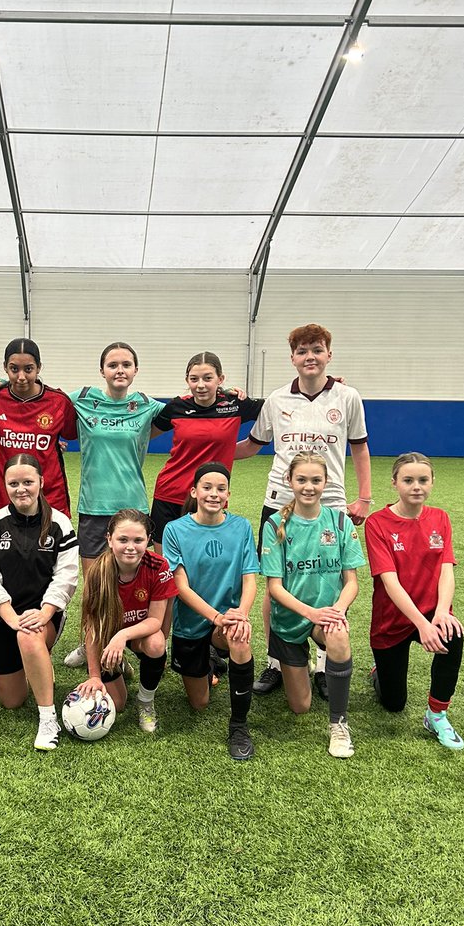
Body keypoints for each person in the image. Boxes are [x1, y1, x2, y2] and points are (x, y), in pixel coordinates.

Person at [235, 324, 372, 699]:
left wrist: (364, 497)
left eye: (317, 349)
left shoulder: (347, 397)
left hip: (329, 502)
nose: (309, 356)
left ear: (329, 354)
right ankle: (276, 661)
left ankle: (327, 665)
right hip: (280, 501)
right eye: (302, 351)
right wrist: (206, 446)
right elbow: (252, 445)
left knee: (332, 580)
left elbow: (359, 448)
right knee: (275, 582)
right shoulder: (277, 400)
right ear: (292, 358)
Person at [64, 342, 167, 666]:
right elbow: (40, 393)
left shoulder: (147, 406)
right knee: (95, 586)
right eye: (113, 365)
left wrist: (228, 395)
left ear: (135, 370)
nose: (119, 370)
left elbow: (193, 407)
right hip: (94, 506)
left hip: (133, 507)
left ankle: (130, 642)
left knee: (132, 584)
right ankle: (90, 643)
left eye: (126, 364)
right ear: (102, 371)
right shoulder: (82, 399)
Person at [260, 452, 365, 759]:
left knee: (338, 636)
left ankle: (339, 725)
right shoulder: (275, 524)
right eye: (302, 480)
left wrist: (337, 611)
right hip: (290, 619)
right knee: (300, 707)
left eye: (316, 480)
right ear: (289, 481)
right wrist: (310, 612)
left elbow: (352, 583)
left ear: (326, 482)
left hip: (326, 615)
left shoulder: (340, 521)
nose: (309, 487)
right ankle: (300, 664)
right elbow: (275, 588)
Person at [0, 454, 79, 751]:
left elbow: (67, 577)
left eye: (28, 482)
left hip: (41, 616)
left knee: (29, 638)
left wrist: (46, 612)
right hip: (2, 617)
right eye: (14, 483)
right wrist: (10, 617)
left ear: (41, 483)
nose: (21, 489)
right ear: (5, 485)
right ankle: (29, 664)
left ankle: (48, 718)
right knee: (11, 701)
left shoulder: (59, 523)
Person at [364, 452, 464, 750]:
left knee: (454, 633)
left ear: (432, 482)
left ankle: (436, 714)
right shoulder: (377, 523)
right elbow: (389, 581)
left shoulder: (440, 518)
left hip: (431, 614)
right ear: (395, 483)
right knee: (393, 704)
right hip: (392, 620)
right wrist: (420, 623)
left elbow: (446, 569)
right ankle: (379, 673)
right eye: (408, 480)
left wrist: (442, 613)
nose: (416, 486)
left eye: (423, 480)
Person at [161, 464, 259, 761]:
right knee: (199, 703)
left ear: (228, 495)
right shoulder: (175, 530)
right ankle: (212, 662)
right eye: (206, 487)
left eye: (220, 489)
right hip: (191, 624)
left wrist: (241, 614)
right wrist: (215, 617)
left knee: (240, 639)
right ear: (194, 492)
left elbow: (250, 579)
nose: (213, 494)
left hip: (227, 620)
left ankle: (239, 726)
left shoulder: (241, 527)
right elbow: (181, 586)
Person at [77, 510, 177, 733]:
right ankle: (117, 662)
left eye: (138, 540)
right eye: (123, 539)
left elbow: (155, 622)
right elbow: (93, 628)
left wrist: (122, 636)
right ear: (109, 539)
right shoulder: (98, 573)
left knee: (157, 643)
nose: (130, 546)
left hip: (139, 634)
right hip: (107, 636)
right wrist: (94, 676)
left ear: (148, 540)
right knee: (117, 704)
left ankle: (145, 701)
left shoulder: (159, 567)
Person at [151, 352, 263, 551]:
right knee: (166, 567)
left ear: (220, 379)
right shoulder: (177, 406)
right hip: (169, 494)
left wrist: (327, 388)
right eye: (194, 379)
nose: (200, 385)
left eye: (208, 378)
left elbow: (278, 407)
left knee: (202, 561)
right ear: (187, 380)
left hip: (209, 496)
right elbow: (144, 435)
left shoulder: (235, 404)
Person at [0, 338, 77, 516]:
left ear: (39, 367)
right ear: (5, 368)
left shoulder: (58, 402)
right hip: (3, 498)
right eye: (14, 369)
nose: (21, 377)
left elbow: (71, 433)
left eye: (28, 369)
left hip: (50, 496)